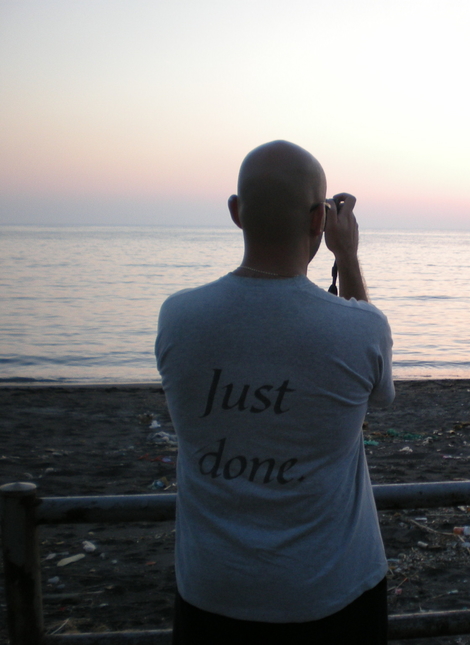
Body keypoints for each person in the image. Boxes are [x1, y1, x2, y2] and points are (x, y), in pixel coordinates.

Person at [155, 140, 395, 644]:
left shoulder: (178, 318)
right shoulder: (361, 330)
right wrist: (346, 256)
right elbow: (378, 394)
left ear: (236, 213)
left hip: (212, 594)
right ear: (317, 222)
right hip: (333, 592)